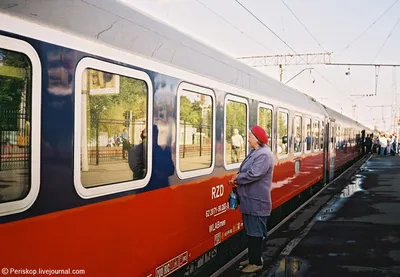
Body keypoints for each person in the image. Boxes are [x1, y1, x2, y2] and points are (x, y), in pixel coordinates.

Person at [229, 126, 274, 274]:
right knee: (250, 231)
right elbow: (246, 170)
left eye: (249, 136)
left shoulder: (264, 155)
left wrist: (238, 178)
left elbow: (254, 174)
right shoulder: (255, 152)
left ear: (256, 139)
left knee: (255, 233)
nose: (247, 138)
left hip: (257, 201)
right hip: (250, 200)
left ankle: (256, 263)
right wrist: (238, 176)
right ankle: (252, 258)